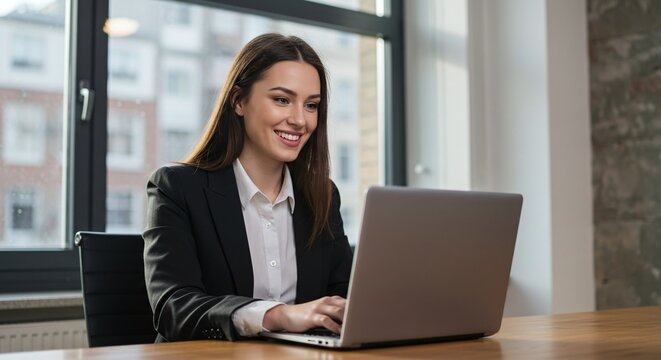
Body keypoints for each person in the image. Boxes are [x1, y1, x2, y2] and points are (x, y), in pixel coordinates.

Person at [143, 33, 353, 342]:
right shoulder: (177, 189)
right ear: (239, 100)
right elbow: (174, 307)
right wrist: (277, 315)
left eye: (311, 105)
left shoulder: (322, 196)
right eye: (282, 100)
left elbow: (342, 294)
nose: (300, 120)